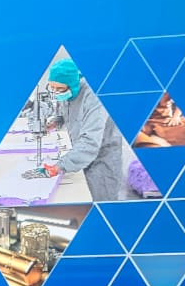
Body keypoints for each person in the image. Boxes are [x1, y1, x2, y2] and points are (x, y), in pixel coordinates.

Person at [41, 58, 125, 202]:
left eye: (59, 89)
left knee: (101, 201)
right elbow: (67, 114)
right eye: (52, 88)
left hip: (102, 159)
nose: (56, 93)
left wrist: (60, 166)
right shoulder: (67, 92)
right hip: (81, 153)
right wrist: (55, 121)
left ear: (73, 85)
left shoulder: (94, 97)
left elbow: (90, 142)